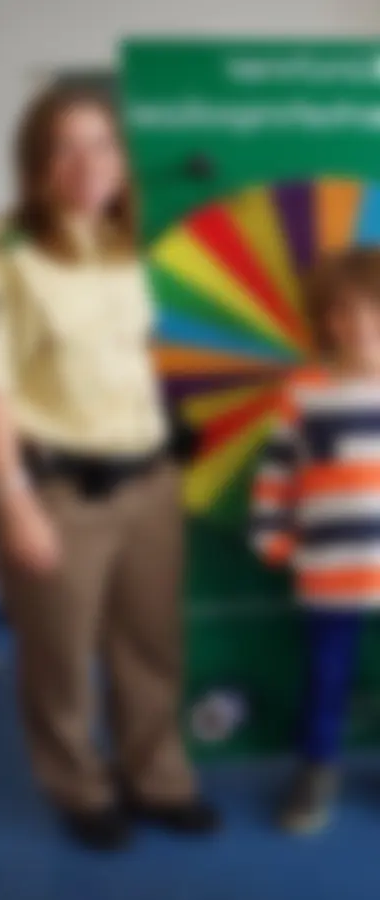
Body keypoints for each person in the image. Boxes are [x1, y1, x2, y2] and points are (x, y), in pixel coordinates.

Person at [0, 84, 218, 851]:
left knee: (150, 645)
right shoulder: (1, 246)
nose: (87, 162)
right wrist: (14, 499)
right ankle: (78, 784)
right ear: (37, 160)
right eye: (66, 146)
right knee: (61, 656)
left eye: (101, 144)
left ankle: (156, 776)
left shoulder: (118, 244)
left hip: (147, 482)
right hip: (57, 491)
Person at [251, 249, 380, 835]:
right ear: (327, 320)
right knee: (327, 676)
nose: (359, 324)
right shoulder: (305, 392)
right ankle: (317, 769)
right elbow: (278, 471)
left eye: (372, 309)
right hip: (330, 567)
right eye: (344, 311)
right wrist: (272, 536)